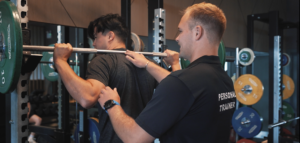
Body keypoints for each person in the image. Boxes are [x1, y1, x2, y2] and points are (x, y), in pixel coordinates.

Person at [98, 2, 236, 143]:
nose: (177, 38)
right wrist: (147, 64)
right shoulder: (225, 81)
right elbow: (185, 90)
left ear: (197, 32)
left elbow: (134, 137)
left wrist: (111, 104)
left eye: (181, 31)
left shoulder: (182, 83)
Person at [53, 14, 157, 143]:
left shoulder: (102, 60)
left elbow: (87, 98)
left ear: (110, 36)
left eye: (96, 38)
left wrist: (61, 61)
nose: (94, 43)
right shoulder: (149, 64)